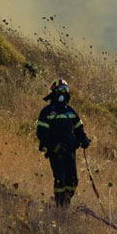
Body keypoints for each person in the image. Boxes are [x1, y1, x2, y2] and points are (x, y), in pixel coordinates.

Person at [36, 78, 91, 207]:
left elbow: (79, 129)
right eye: (59, 90)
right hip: (56, 151)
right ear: (53, 93)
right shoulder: (47, 112)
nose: (62, 93)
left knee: (73, 180)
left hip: (70, 150)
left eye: (64, 90)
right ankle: (60, 206)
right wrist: (52, 146)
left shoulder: (71, 112)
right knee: (60, 179)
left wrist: (84, 140)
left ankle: (66, 202)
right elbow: (41, 133)